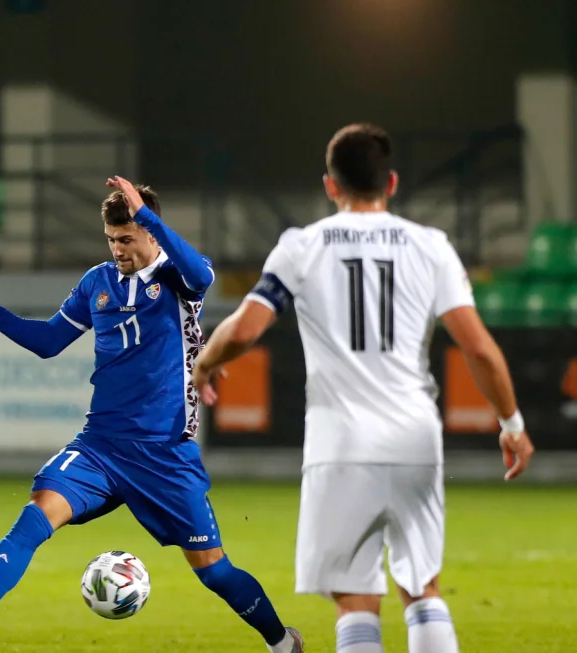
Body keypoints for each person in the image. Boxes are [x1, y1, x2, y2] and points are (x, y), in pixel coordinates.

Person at [192, 123, 536, 653]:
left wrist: (205, 364)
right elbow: (480, 350)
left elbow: (243, 331)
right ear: (391, 183)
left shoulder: (302, 247)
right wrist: (511, 423)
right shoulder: (431, 247)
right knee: (423, 588)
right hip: (415, 440)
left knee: (355, 600)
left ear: (330, 186)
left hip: (341, 444)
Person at [0, 177, 303, 653]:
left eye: (126, 238)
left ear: (150, 230)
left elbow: (203, 277)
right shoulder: (97, 283)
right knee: (34, 517)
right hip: (100, 446)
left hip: (164, 454)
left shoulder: (179, 277)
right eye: (111, 239)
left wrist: (145, 214)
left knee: (214, 571)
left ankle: (282, 643)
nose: (118, 249)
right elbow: (48, 342)